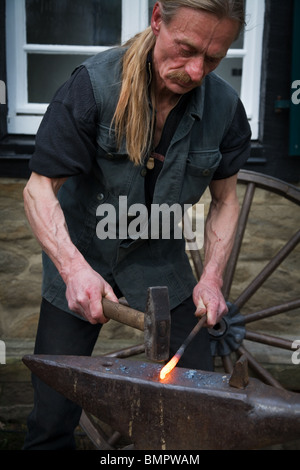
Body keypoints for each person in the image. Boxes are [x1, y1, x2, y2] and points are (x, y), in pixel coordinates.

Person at [23, 0, 251, 450]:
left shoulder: (225, 108)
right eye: (185, 49)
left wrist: (211, 278)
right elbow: (38, 189)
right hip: (83, 253)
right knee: (51, 420)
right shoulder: (92, 86)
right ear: (156, 19)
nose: (196, 70)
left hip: (161, 263)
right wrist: (72, 270)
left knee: (196, 406)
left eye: (213, 57)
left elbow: (226, 200)